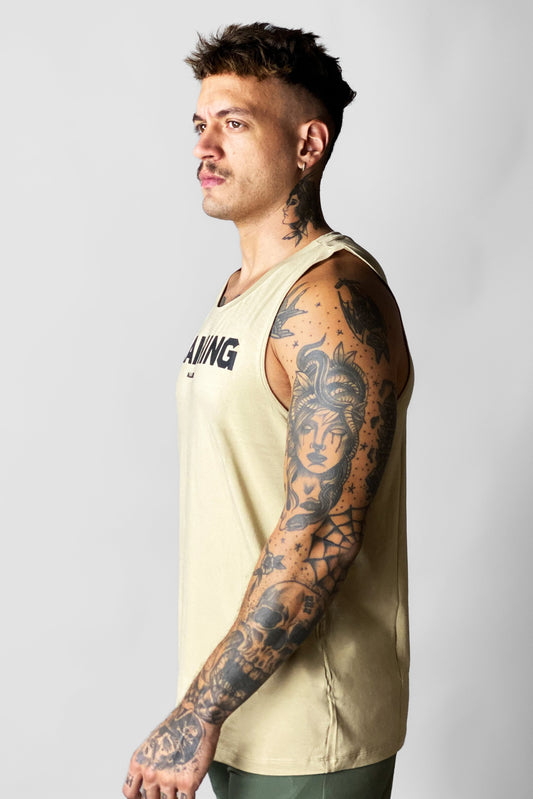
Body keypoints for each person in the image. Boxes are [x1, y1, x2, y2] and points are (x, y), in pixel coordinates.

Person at [123, 22, 413, 799]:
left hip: (309, 728)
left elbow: (321, 531)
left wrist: (198, 709)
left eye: (234, 123)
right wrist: (206, 705)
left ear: (307, 144)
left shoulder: (329, 299)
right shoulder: (242, 291)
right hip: (238, 711)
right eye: (199, 123)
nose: (203, 147)